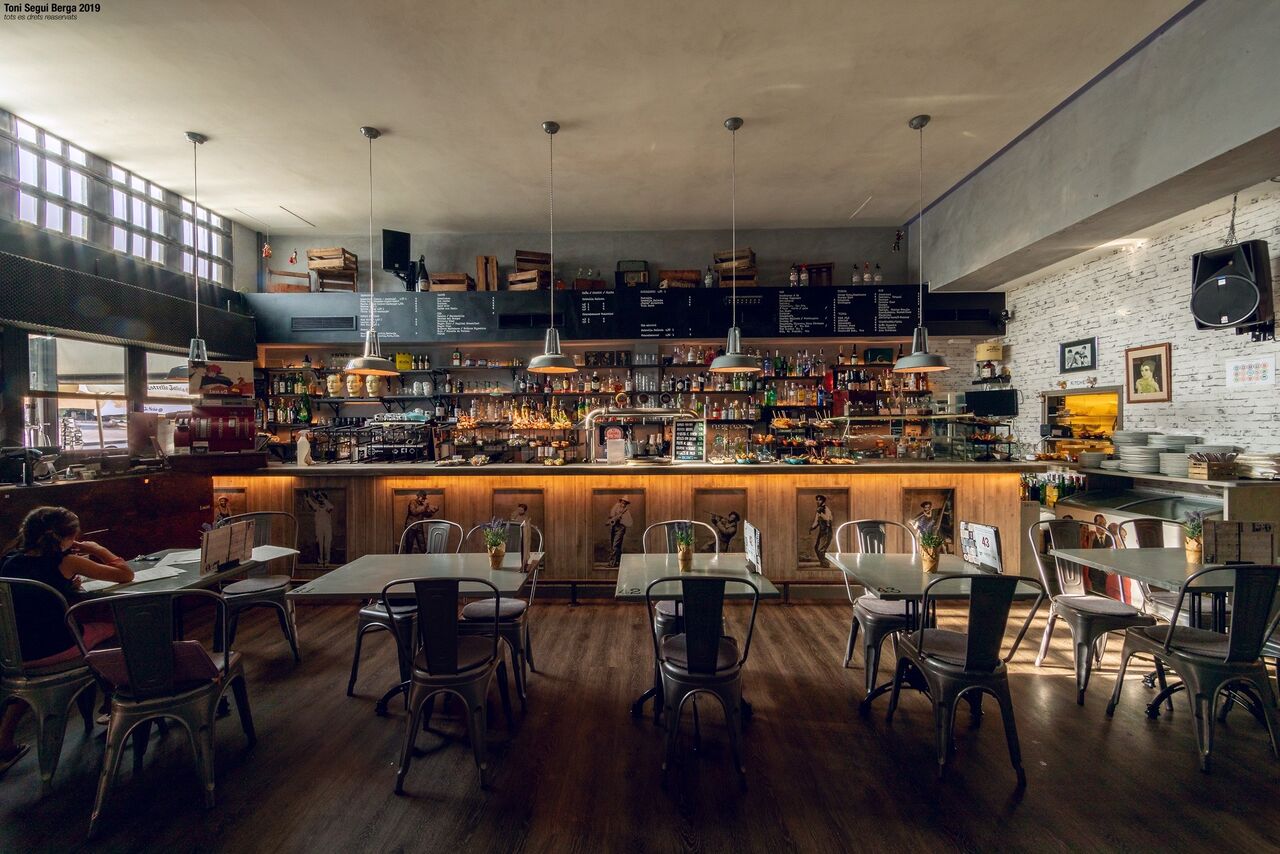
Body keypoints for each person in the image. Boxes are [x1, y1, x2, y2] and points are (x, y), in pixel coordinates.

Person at [0, 507, 133, 777]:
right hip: (55, 648)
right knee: (115, 629)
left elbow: (34, 594)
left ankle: (4, 739)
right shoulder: (68, 562)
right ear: (69, 537)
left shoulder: (9, 562)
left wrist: (65, 586)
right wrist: (98, 549)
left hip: (17, 653)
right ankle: (114, 699)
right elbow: (125, 574)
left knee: (33, 680)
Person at [304, 490, 334, 567]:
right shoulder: (316, 507)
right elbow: (310, 502)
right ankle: (320, 562)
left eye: (322, 497)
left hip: (327, 528)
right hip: (319, 528)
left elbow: (331, 507)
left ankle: (327, 562)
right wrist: (308, 497)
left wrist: (322, 497)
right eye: (319, 497)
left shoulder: (328, 507)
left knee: (327, 545)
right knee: (319, 545)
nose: (320, 498)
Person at [604, 498, 633, 568]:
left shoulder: (626, 512)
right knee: (616, 546)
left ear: (626, 504)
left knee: (615, 545)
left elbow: (630, 523)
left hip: (620, 528)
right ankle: (618, 562)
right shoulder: (616, 507)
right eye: (622, 502)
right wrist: (613, 518)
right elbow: (611, 516)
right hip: (614, 528)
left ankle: (612, 563)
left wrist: (622, 519)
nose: (623, 504)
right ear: (620, 502)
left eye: (625, 503)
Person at [809, 494, 833, 567]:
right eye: (817, 500)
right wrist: (812, 528)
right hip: (821, 532)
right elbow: (816, 521)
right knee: (816, 548)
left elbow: (828, 519)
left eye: (820, 500)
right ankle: (822, 563)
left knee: (821, 549)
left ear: (823, 501)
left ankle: (826, 564)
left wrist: (821, 513)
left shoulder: (826, 509)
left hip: (827, 532)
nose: (818, 501)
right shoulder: (819, 510)